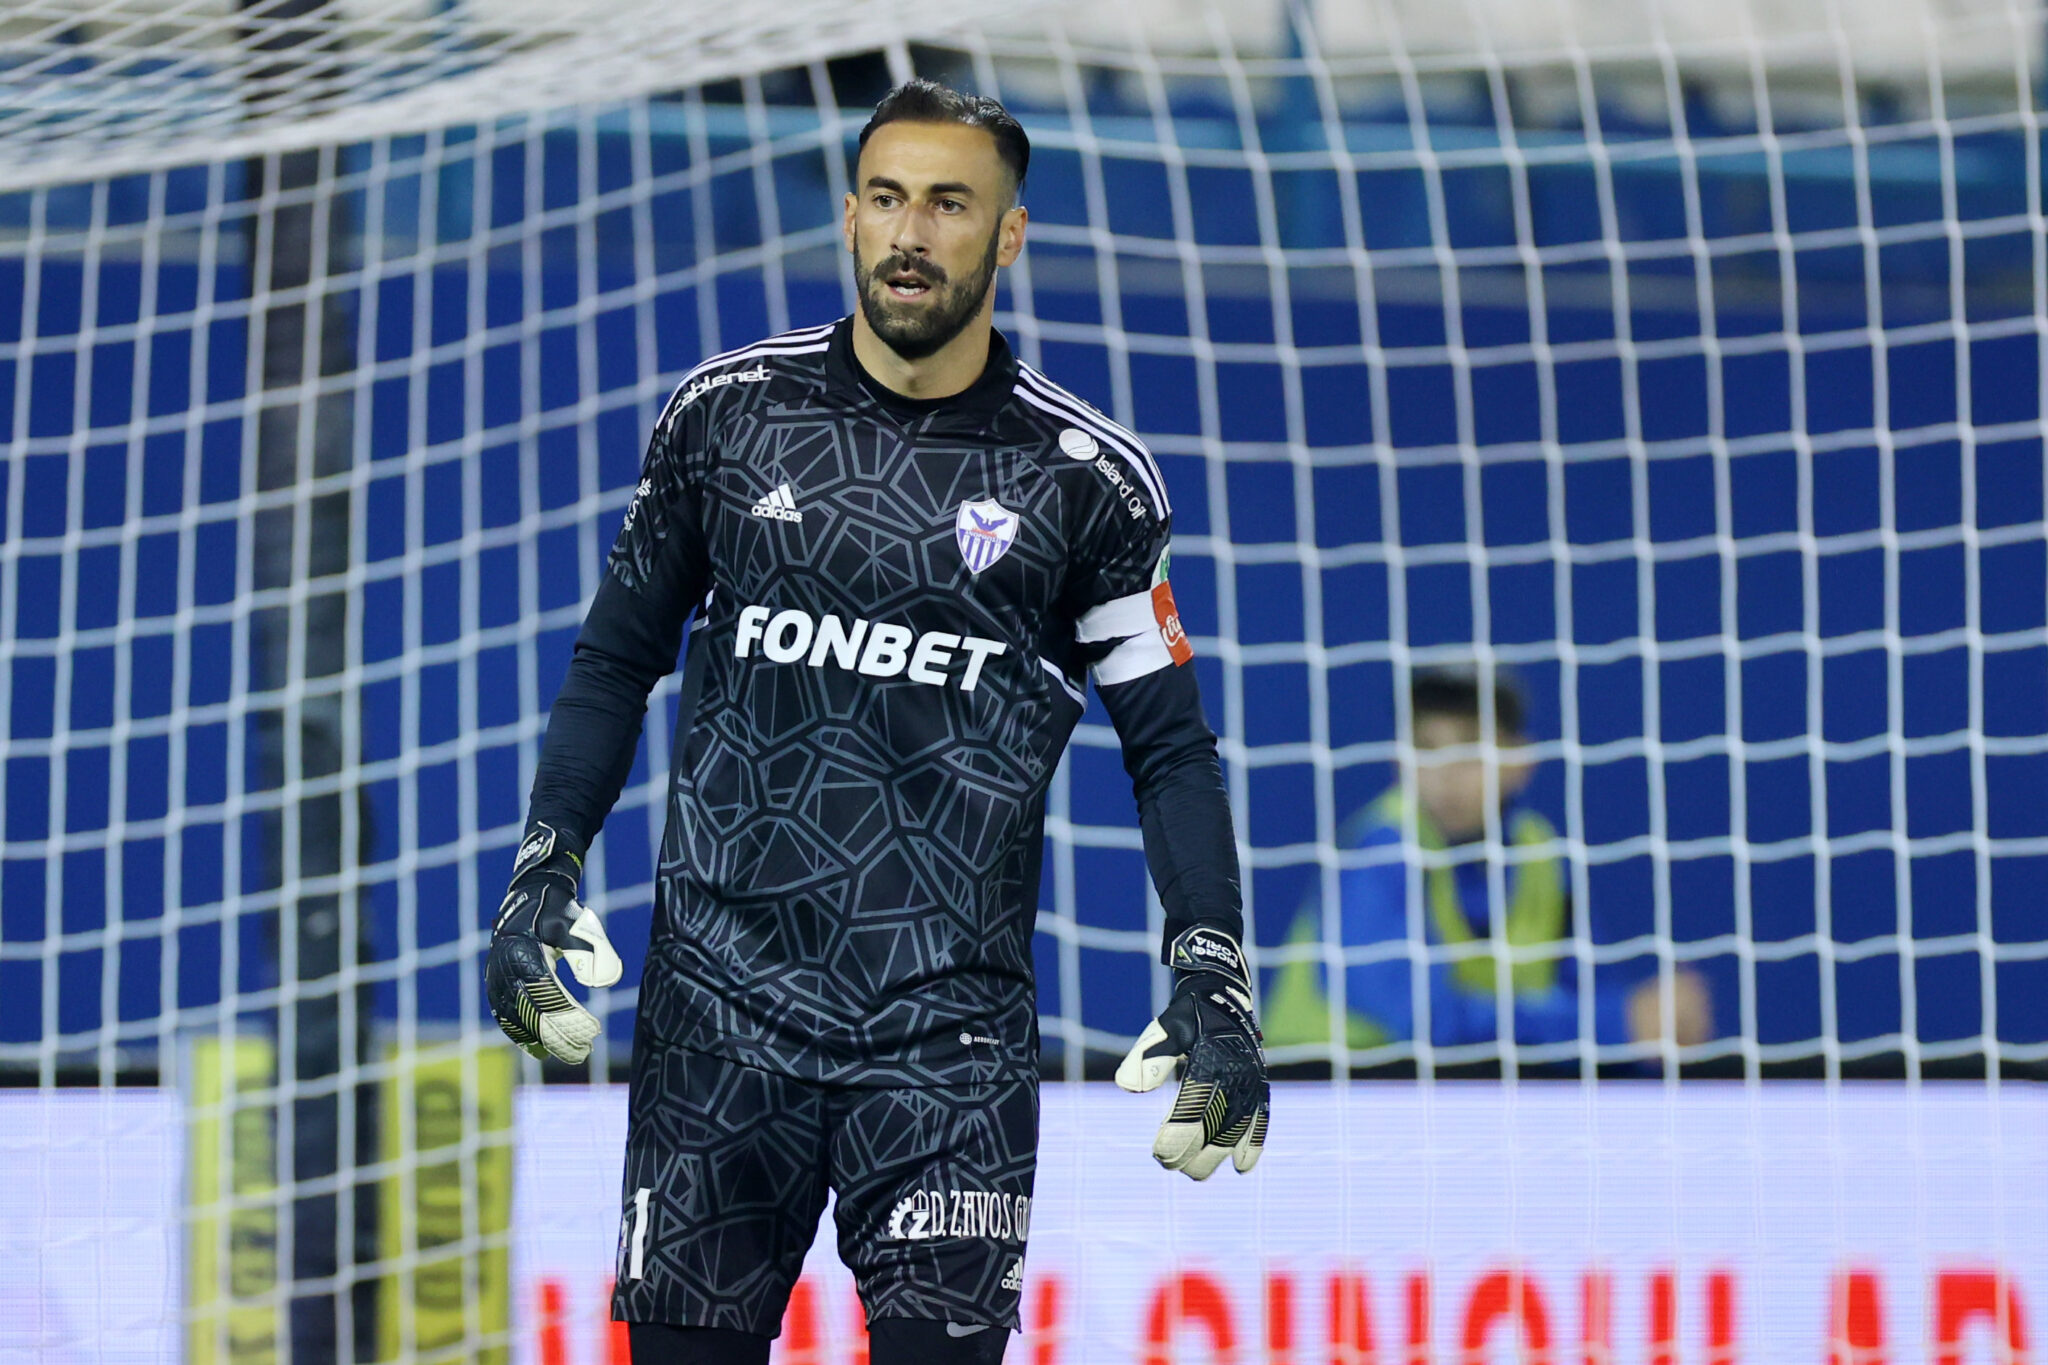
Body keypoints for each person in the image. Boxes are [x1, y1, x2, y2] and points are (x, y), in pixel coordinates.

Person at [482, 79, 1267, 1365]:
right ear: (849, 216)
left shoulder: (1089, 483)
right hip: (715, 1024)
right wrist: (542, 864)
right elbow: (614, 662)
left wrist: (1211, 967)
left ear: (1007, 235)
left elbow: (1169, 748)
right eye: (887, 199)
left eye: (949, 204)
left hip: (947, 1048)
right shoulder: (727, 415)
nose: (910, 232)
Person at [1264, 667, 1711, 1058]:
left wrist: (1656, 1027)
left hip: (1457, 1106)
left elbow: (1590, 1000)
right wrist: (1619, 1025)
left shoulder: (1540, 853)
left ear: (1520, 761)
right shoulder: (1380, 848)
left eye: (1470, 747)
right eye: (1426, 747)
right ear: (1399, 762)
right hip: (1314, 1103)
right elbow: (1428, 1023)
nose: (1445, 772)